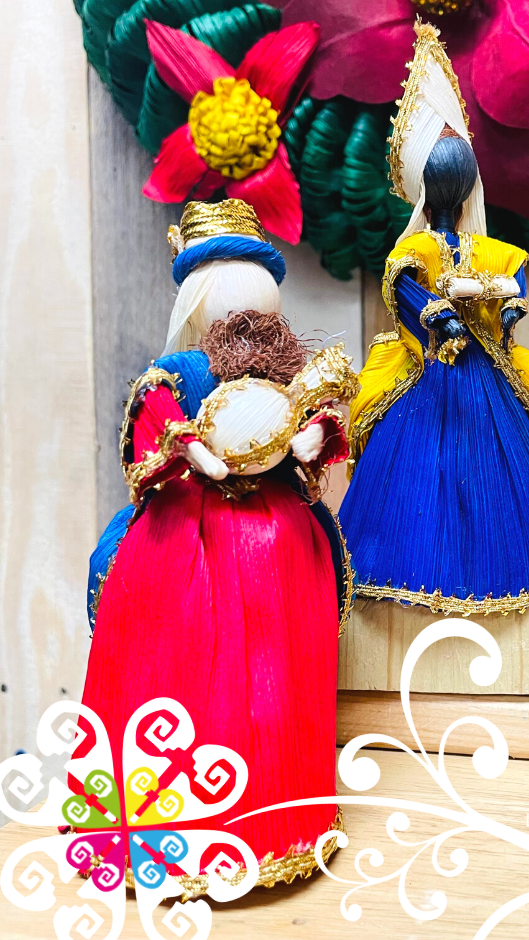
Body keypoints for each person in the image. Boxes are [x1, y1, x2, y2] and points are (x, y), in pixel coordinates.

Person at [79, 200, 352, 895]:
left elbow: (316, 422)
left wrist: (310, 438)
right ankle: (165, 825)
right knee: (184, 656)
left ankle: (275, 812)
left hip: (275, 532)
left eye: (259, 309)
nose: (246, 323)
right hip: (189, 532)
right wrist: (193, 451)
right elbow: (153, 423)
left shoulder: (284, 373)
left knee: (275, 670)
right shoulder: (178, 371)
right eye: (232, 310)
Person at [338, 22, 529, 616]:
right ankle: (413, 578)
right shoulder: (418, 250)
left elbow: (512, 284)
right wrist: (440, 319)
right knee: (419, 478)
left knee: (506, 463)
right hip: (430, 367)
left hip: (483, 366)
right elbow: (405, 289)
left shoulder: (490, 251)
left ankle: (507, 578)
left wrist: (505, 302)